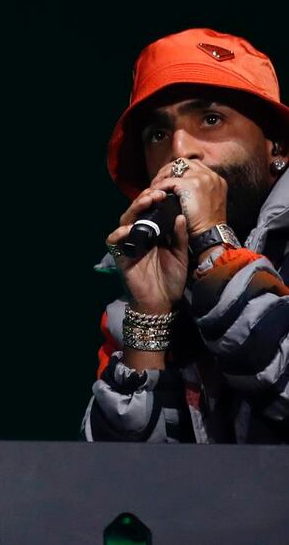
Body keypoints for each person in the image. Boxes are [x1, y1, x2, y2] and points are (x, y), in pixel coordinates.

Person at [83, 27, 289, 443]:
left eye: (211, 120)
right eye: (157, 134)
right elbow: (120, 484)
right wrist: (149, 314)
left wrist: (215, 243)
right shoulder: (155, 263)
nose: (179, 151)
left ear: (277, 147)